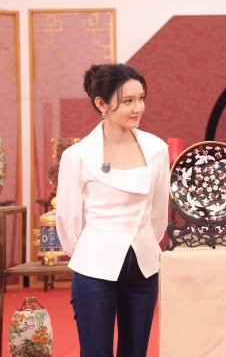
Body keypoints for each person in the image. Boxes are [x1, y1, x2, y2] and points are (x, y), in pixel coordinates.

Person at [56, 63, 169, 357]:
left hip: (144, 268)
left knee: (136, 351)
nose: (138, 108)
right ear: (101, 104)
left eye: (141, 98)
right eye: (128, 101)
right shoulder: (77, 155)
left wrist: (144, 242)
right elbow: (68, 221)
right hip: (94, 268)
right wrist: (93, 251)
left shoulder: (156, 149)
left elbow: (159, 213)